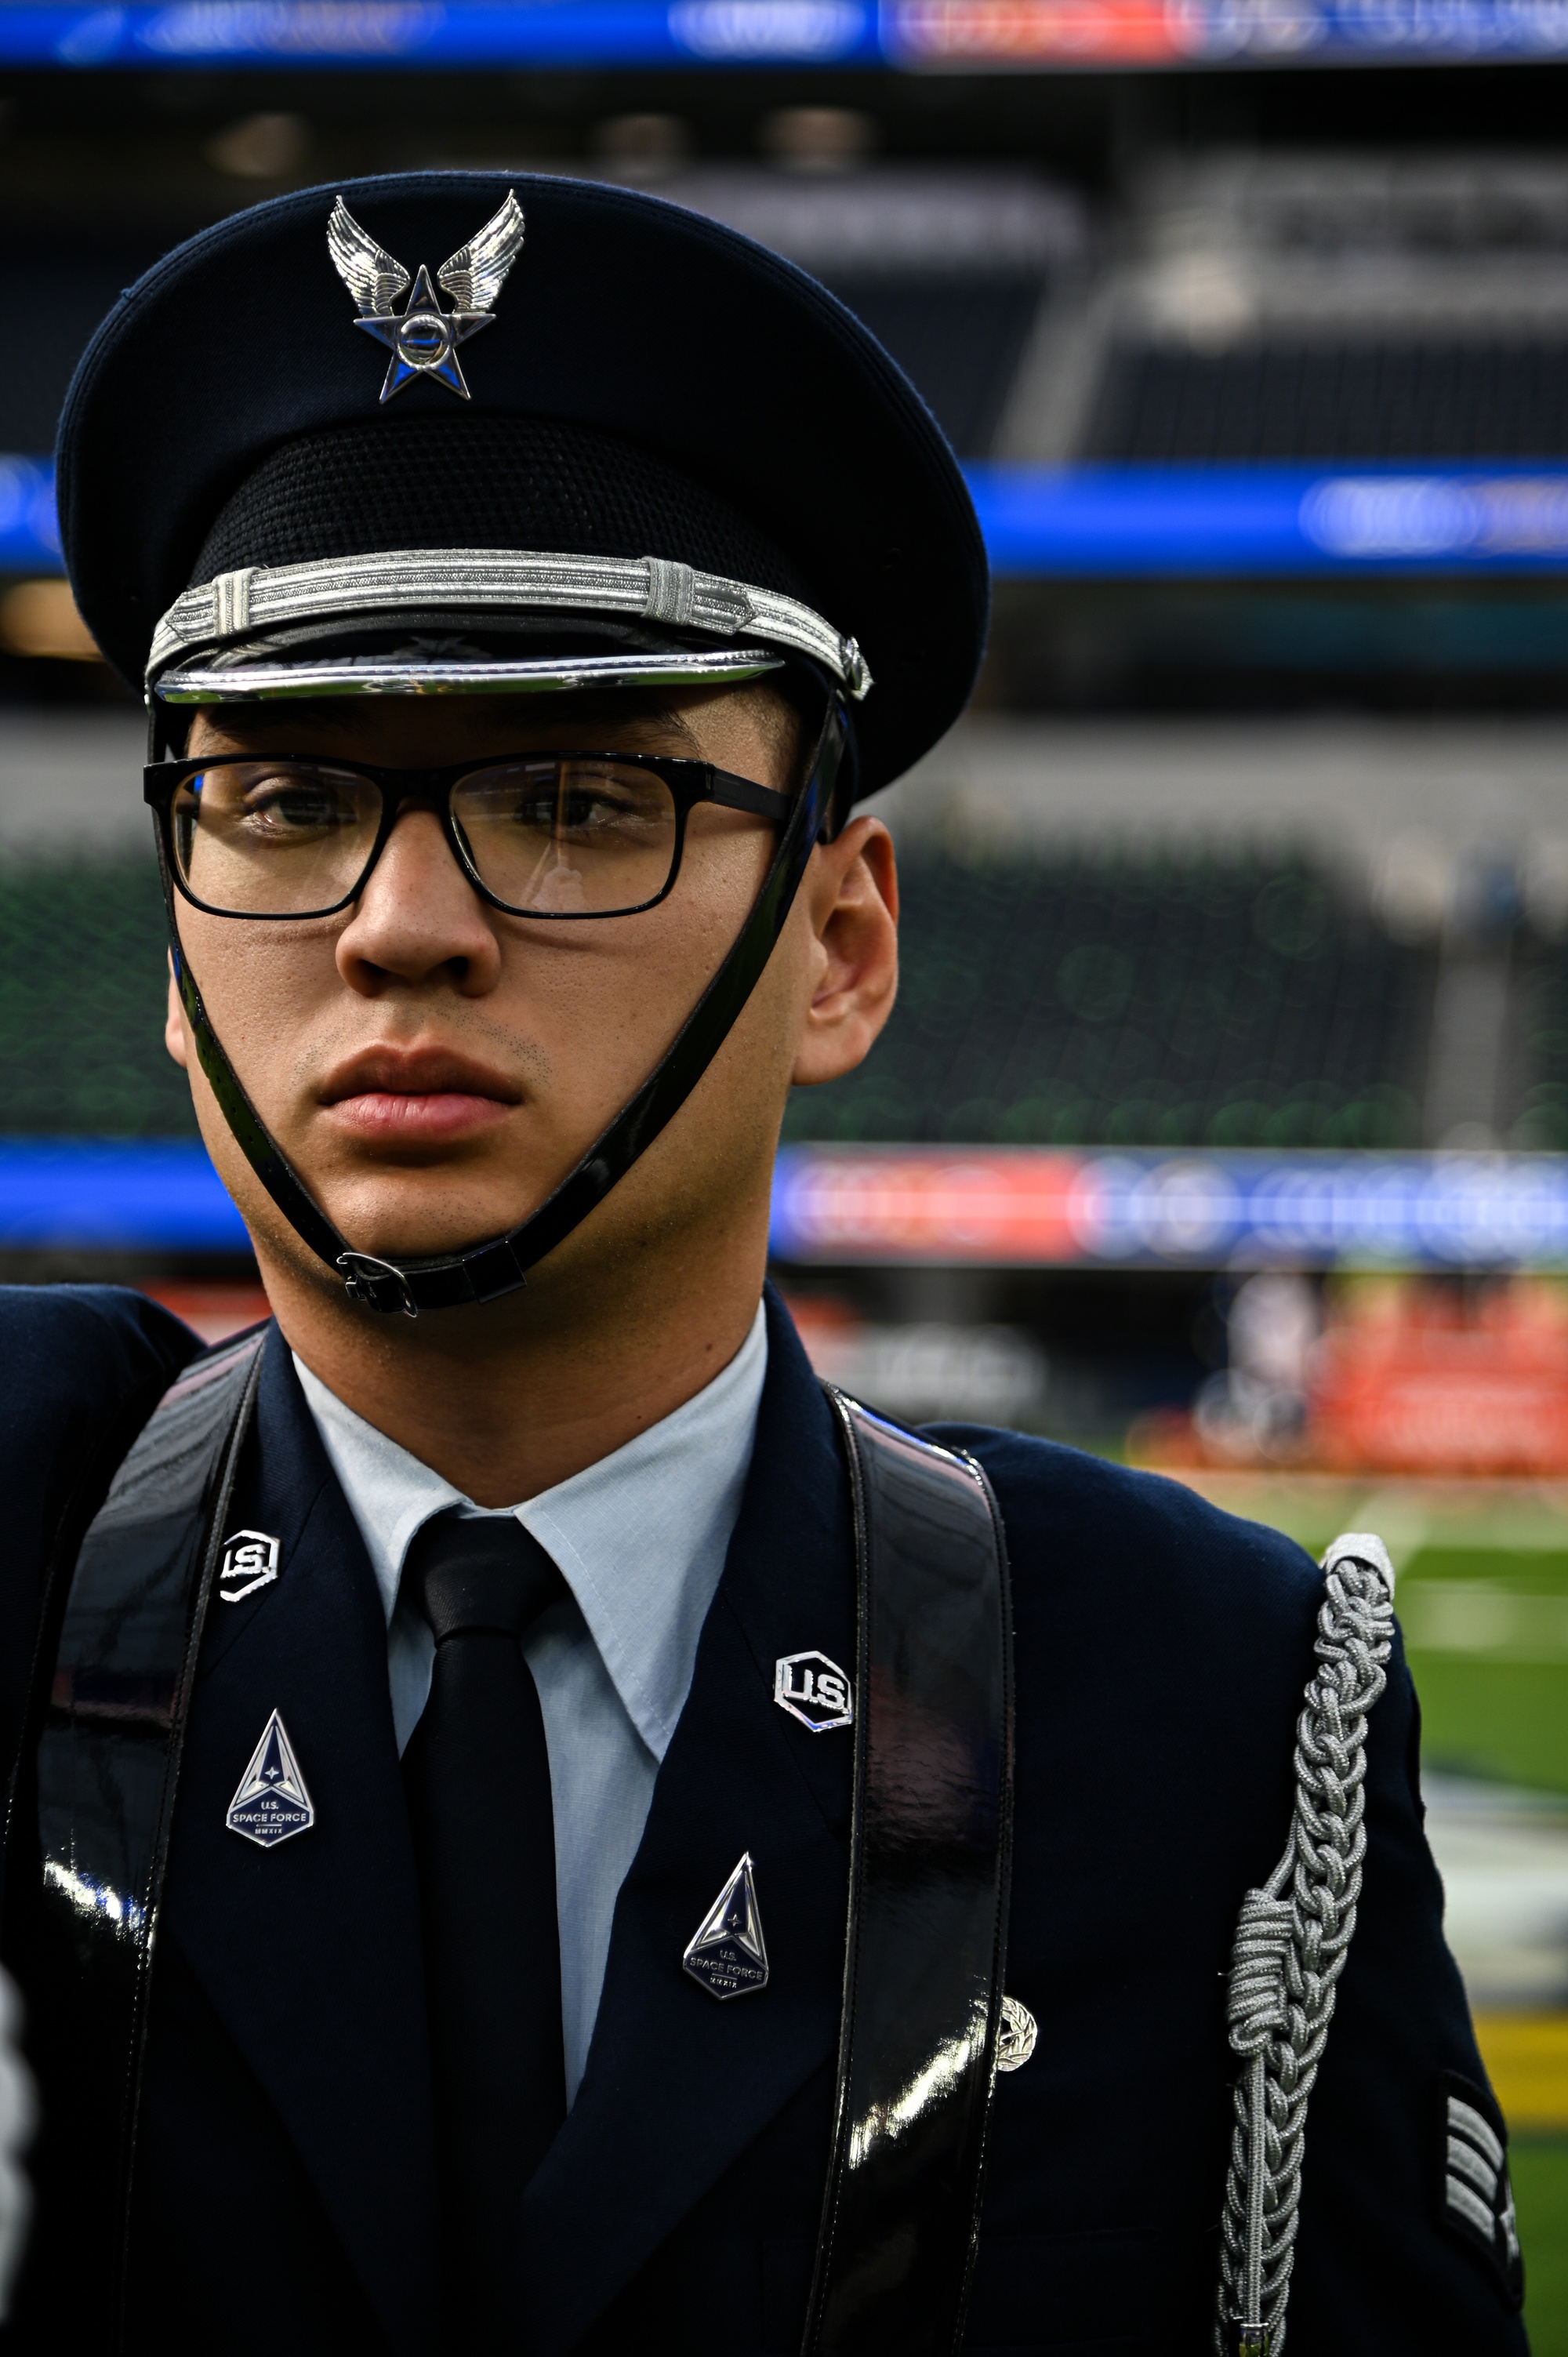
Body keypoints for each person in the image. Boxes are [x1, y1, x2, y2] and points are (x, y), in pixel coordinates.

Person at [0, 171, 1526, 2357]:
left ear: (843, 944)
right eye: (282, 796)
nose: (397, 923)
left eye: (578, 802)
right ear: (168, 951)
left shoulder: (1199, 1721)